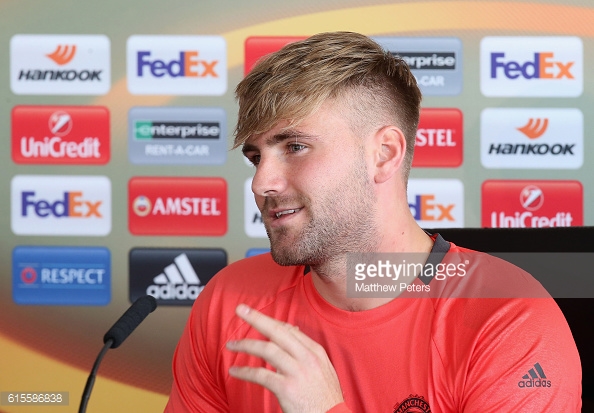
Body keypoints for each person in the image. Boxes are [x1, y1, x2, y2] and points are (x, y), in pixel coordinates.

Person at [164, 32, 581, 412]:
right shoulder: (231, 301)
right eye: (256, 157)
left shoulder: (510, 319)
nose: (261, 183)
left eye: (295, 146)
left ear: (384, 154)